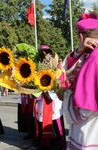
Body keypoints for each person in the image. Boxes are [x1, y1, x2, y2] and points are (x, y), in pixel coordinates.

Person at [61, 12, 98, 150]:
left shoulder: (94, 58)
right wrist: (79, 50)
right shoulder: (88, 54)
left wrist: (67, 98)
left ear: (81, 36)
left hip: (90, 126)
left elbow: (85, 108)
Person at [32, 45, 70, 150]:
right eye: (41, 52)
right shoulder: (36, 67)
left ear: (50, 53)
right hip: (41, 104)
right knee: (41, 128)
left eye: (46, 51)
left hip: (53, 104)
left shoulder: (58, 68)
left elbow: (62, 86)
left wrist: (49, 92)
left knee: (55, 132)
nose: (44, 54)